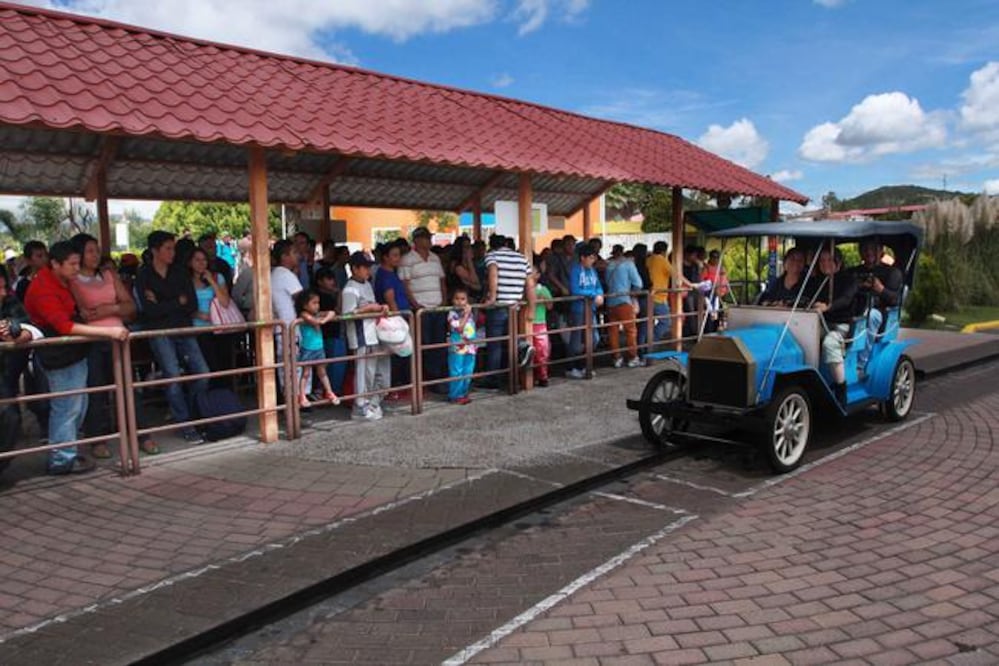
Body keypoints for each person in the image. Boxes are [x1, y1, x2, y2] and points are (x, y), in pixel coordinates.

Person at [24, 241, 130, 474]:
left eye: (77, 263)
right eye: (72, 264)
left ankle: (67, 453)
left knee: (76, 405)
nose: (76, 268)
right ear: (55, 264)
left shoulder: (63, 281)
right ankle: (61, 459)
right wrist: (108, 331)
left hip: (73, 352)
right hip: (59, 353)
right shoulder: (43, 289)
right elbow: (64, 326)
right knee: (66, 406)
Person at [69, 233, 160, 457]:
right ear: (79, 253)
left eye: (97, 250)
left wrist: (109, 310)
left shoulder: (109, 274)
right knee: (97, 389)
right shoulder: (73, 280)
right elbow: (83, 313)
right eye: (90, 250)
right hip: (93, 340)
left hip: (118, 336)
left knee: (129, 387)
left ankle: (142, 435)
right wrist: (114, 308)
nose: (95, 254)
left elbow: (130, 306)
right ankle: (97, 439)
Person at [135, 230, 210, 444]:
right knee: (173, 376)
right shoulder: (144, 275)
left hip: (183, 328)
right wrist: (178, 302)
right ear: (154, 251)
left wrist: (162, 303)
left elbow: (192, 304)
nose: (172, 252)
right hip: (160, 331)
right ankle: (184, 422)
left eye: (173, 248)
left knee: (203, 373)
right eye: (168, 248)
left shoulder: (179, 272)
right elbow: (149, 310)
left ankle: (191, 410)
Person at [806, 247, 858, 406]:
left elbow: (846, 299)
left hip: (841, 325)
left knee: (830, 343)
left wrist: (827, 307)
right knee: (803, 337)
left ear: (839, 262)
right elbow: (806, 297)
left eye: (829, 260)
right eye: (822, 260)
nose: (825, 263)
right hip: (820, 323)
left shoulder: (849, 280)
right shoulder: (816, 281)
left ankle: (841, 388)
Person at [482, 234, 535, 387]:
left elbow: (493, 272)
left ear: (491, 245)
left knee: (495, 344)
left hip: (499, 306)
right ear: (506, 243)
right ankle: (521, 348)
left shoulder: (492, 255)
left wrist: (492, 297)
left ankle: (493, 380)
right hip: (515, 306)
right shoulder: (521, 258)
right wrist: (531, 308)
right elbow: (530, 284)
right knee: (511, 338)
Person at [342, 252, 390, 421]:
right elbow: (347, 314)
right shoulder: (350, 289)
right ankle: (360, 406)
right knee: (363, 373)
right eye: (365, 267)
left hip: (372, 333)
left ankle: (370, 403)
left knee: (372, 372)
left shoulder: (367, 284)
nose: (368, 270)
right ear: (355, 268)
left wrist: (378, 308)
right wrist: (368, 309)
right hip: (360, 335)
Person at [400, 227, 447, 388]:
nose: (429, 240)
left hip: (438, 308)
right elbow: (404, 285)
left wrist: (444, 301)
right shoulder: (407, 260)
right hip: (421, 310)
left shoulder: (435, 258)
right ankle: (426, 379)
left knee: (438, 344)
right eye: (426, 238)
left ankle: (437, 379)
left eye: (429, 237)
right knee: (424, 344)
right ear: (417, 240)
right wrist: (415, 304)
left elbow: (441, 280)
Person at [850, 238, 904, 369]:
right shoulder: (853, 272)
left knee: (871, 315)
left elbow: (895, 299)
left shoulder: (892, 272)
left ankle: (861, 363)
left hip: (879, 312)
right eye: (865, 249)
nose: (869, 252)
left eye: (873, 248)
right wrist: (858, 286)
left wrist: (880, 289)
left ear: (881, 251)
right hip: (854, 308)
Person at [373, 240, 412, 398]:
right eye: (394, 256)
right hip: (395, 321)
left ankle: (398, 386)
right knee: (397, 352)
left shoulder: (390, 273)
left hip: (399, 316)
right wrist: (399, 320)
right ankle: (394, 387)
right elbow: (390, 298)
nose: (398, 259)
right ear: (385, 258)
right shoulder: (386, 275)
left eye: (398, 255)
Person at [188, 247, 232, 375]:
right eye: (197, 260)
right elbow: (182, 305)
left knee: (222, 364)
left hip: (218, 327)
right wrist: (197, 314)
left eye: (204, 260)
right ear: (190, 262)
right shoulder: (186, 281)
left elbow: (225, 302)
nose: (201, 263)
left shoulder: (218, 277)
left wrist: (212, 281)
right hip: (197, 329)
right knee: (204, 366)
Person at [294, 288, 340, 408]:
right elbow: (313, 321)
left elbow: (332, 313)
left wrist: (324, 319)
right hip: (308, 349)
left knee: (322, 372)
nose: (317, 306)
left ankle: (329, 392)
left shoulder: (317, 314)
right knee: (306, 373)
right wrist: (321, 321)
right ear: (305, 305)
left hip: (319, 348)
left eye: (318, 303)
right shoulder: (303, 314)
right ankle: (302, 396)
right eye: (314, 303)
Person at [566, 244, 603, 380]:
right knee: (576, 340)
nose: (593, 261)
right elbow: (575, 290)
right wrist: (594, 294)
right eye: (590, 258)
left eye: (594, 258)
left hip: (590, 309)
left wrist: (599, 294)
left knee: (594, 339)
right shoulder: (575, 270)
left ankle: (584, 365)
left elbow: (599, 286)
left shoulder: (593, 271)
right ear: (583, 258)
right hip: (578, 309)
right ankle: (571, 367)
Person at [270, 239, 303, 393]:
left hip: (281, 328)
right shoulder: (285, 274)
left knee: (285, 370)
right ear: (284, 256)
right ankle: (293, 406)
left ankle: (290, 405)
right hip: (289, 328)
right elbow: (302, 299)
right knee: (292, 370)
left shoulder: (275, 274)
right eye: (294, 253)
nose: (298, 256)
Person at [605, 249, 644, 368]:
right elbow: (638, 284)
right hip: (624, 301)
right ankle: (633, 357)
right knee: (631, 330)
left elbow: (607, 283)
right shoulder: (629, 264)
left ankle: (616, 358)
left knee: (613, 331)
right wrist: (633, 296)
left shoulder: (610, 265)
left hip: (610, 301)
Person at [314, 267, 346, 396]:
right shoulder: (317, 297)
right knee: (324, 367)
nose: (332, 282)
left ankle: (330, 391)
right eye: (328, 279)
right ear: (320, 281)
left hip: (332, 333)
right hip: (323, 334)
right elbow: (337, 310)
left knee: (332, 365)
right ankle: (324, 391)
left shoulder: (330, 295)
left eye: (332, 279)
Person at [446, 287, 477, 405]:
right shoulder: (452, 313)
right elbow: (459, 328)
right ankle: (455, 395)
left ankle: (464, 393)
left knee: (468, 371)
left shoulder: (470, 313)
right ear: (452, 300)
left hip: (470, 346)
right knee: (456, 371)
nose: (460, 302)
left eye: (463, 299)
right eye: (457, 299)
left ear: (467, 300)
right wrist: (466, 315)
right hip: (457, 347)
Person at [646, 241, 672, 342]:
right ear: (664, 251)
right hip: (659, 297)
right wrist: (691, 284)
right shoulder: (661, 260)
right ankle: (652, 341)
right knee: (665, 322)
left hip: (648, 296)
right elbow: (674, 273)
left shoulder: (648, 259)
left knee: (647, 323)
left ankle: (646, 343)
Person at [531, 265, 553, 387]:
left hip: (540, 323)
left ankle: (543, 376)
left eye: (532, 271)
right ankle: (531, 376)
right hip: (528, 323)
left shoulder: (542, 289)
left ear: (538, 275)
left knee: (542, 351)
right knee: (530, 352)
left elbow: (550, 306)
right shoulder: (524, 290)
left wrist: (544, 299)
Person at [701, 249, 730, 333]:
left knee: (719, 314)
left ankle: (716, 331)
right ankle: (709, 332)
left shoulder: (721, 267)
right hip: (709, 294)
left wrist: (725, 288)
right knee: (710, 314)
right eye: (714, 257)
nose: (715, 259)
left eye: (717, 257)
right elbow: (703, 281)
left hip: (720, 293)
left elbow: (725, 279)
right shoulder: (706, 268)